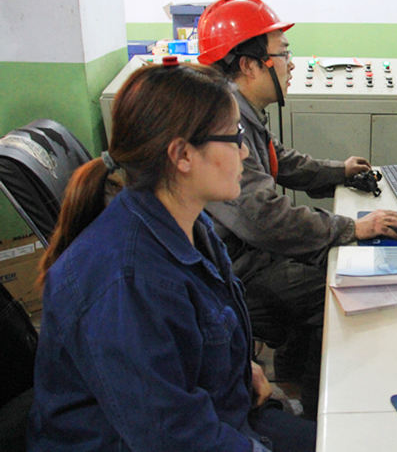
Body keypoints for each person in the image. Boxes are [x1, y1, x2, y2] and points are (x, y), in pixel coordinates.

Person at [27, 59, 315, 452]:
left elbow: (188, 345)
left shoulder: (190, 224)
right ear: (182, 155)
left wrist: (236, 370)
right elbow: (171, 438)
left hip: (216, 415)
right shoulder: (128, 281)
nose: (245, 151)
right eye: (234, 137)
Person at [197, 0, 397, 418]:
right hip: (240, 268)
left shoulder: (238, 110)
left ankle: (295, 379)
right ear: (250, 65)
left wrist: (338, 171)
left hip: (248, 252)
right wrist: (352, 228)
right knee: (338, 291)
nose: (291, 64)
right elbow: (264, 218)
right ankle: (322, 416)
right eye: (283, 54)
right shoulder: (225, 121)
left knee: (331, 261)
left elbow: (278, 159)